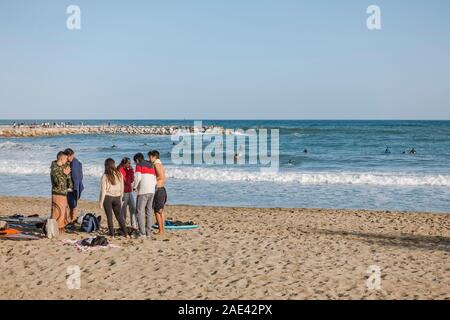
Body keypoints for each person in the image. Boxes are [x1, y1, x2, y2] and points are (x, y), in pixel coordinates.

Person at [99, 158, 127, 237]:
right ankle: (125, 233)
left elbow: (103, 190)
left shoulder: (105, 176)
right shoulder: (119, 174)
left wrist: (100, 202)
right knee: (119, 216)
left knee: (109, 216)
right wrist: (121, 197)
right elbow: (122, 187)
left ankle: (112, 234)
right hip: (117, 197)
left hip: (108, 197)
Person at [133, 153, 157, 238]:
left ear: (136, 160)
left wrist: (135, 187)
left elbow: (138, 177)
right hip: (152, 191)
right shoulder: (151, 165)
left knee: (140, 211)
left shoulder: (139, 165)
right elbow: (155, 179)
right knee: (149, 211)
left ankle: (142, 233)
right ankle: (148, 232)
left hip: (143, 191)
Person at [50, 151, 72, 233]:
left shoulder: (64, 166)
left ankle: (61, 227)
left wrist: (70, 186)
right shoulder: (54, 168)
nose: (67, 160)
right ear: (61, 158)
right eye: (66, 158)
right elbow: (58, 182)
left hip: (64, 192)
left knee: (64, 211)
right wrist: (65, 174)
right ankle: (55, 228)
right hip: (57, 192)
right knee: (57, 211)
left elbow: (68, 179)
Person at [148, 150, 167, 235]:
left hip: (159, 189)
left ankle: (161, 231)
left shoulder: (156, 164)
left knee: (157, 211)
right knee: (160, 211)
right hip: (162, 189)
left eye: (149, 157)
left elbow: (161, 176)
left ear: (153, 157)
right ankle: (162, 229)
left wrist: (152, 181)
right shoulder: (160, 163)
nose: (149, 159)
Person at [64, 148, 84, 224]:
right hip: (71, 188)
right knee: (70, 206)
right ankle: (70, 220)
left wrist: (75, 188)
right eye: (70, 156)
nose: (70, 157)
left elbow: (78, 177)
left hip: (73, 188)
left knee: (73, 206)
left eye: (71, 155)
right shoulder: (71, 162)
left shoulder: (76, 163)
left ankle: (71, 220)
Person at [118, 157, 137, 229]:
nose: (130, 164)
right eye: (128, 163)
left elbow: (131, 180)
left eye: (130, 163)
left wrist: (131, 171)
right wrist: (131, 171)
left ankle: (134, 224)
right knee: (123, 209)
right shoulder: (120, 169)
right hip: (123, 192)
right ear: (124, 163)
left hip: (129, 191)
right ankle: (123, 225)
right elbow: (126, 181)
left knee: (133, 207)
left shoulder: (128, 170)